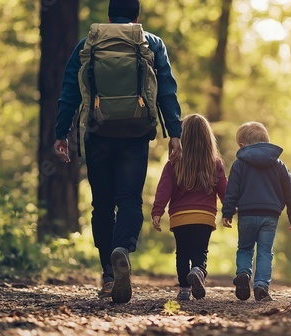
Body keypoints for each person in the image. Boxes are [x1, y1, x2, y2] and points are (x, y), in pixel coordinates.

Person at [53, 0, 184, 304]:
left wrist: (63, 133)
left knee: (102, 204)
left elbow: (70, 91)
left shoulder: (89, 44)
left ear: (109, 16)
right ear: (137, 16)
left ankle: (108, 275)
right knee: (129, 198)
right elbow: (166, 89)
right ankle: (122, 249)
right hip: (136, 133)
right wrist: (173, 132)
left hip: (98, 132)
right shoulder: (150, 43)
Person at [222, 122, 291, 302]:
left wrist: (227, 212)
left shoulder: (239, 164)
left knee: (244, 248)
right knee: (265, 251)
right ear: (266, 141)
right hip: (270, 216)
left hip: (247, 214)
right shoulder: (279, 164)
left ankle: (243, 273)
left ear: (242, 145)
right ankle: (261, 285)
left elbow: (232, 190)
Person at [151, 114, 226, 301]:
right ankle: (198, 271)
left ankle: (184, 288)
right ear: (207, 138)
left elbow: (163, 190)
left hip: (180, 216)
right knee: (200, 251)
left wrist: (157, 212)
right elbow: (225, 189)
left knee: (182, 252)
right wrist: (230, 210)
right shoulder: (214, 163)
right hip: (204, 216)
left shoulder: (173, 164)